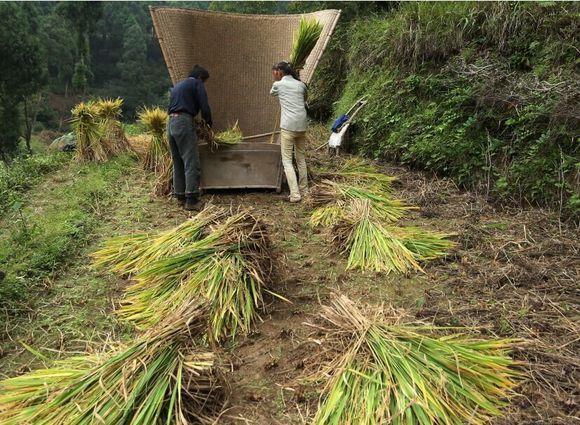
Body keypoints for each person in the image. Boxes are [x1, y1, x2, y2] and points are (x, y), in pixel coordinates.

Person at [167, 65, 212, 211]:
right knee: (190, 160)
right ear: (200, 78)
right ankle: (191, 200)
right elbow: (204, 106)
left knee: (178, 160)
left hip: (171, 123)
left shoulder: (178, 86)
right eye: (204, 82)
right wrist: (208, 123)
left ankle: (180, 195)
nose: (203, 84)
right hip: (183, 122)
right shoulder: (196, 83)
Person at [270, 61, 309, 203]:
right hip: (302, 126)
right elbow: (304, 98)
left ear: (280, 72)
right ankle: (305, 190)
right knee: (300, 158)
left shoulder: (278, 85)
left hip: (288, 127)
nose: (274, 74)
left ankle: (295, 194)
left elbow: (272, 93)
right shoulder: (301, 85)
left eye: (275, 72)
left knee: (287, 161)